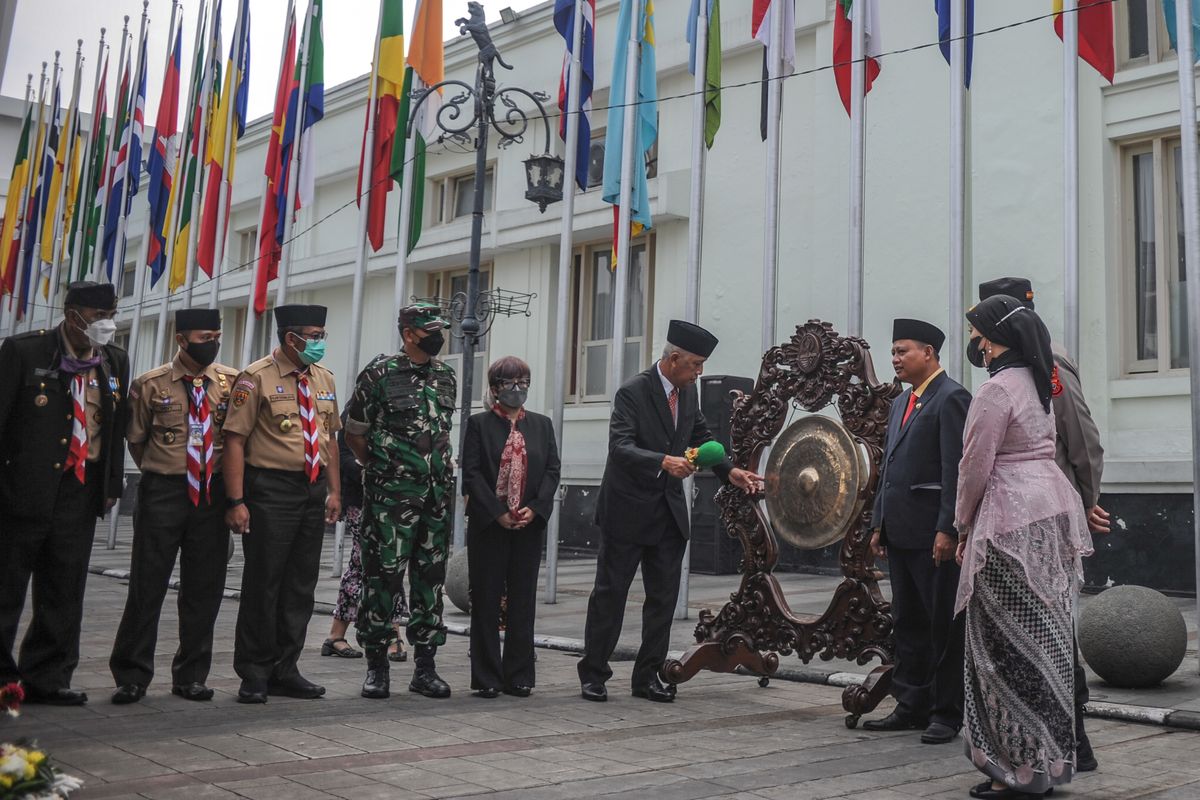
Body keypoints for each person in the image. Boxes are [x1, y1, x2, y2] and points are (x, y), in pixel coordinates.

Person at [577, 320, 762, 703]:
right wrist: (663, 461)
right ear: (673, 359)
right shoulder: (633, 392)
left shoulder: (688, 394)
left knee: (662, 601)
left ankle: (647, 677)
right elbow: (620, 447)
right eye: (695, 365)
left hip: (667, 514)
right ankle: (594, 673)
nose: (699, 373)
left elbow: (702, 438)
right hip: (627, 512)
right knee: (610, 596)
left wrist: (731, 471)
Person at [956, 295, 1093, 800]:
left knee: (1002, 648)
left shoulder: (994, 391)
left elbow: (975, 466)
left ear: (997, 340)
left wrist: (962, 523)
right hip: (1052, 508)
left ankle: (1018, 769)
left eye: (981, 334)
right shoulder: (1040, 384)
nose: (979, 344)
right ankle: (1050, 763)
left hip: (1007, 522)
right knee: (1049, 643)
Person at [0, 281, 129, 705]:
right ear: (73, 314)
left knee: (64, 587)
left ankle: (49, 675)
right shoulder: (25, 352)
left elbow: (111, 430)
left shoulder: (113, 361)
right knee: (7, 587)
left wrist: (110, 486)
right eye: (97, 319)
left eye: (110, 316)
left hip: (80, 489)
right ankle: (3, 678)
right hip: (23, 489)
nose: (105, 326)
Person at [109, 308, 239, 704]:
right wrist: (168, 466)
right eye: (204, 337)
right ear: (181, 340)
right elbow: (136, 438)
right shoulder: (150, 384)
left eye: (216, 335)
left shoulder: (230, 383)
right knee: (147, 585)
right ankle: (132, 675)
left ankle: (191, 675)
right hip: (164, 490)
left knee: (204, 588)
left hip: (212, 495)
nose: (212, 343)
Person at [223, 304, 342, 704]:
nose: (320, 342)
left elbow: (331, 440)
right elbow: (235, 441)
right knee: (264, 583)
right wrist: (237, 500)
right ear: (291, 338)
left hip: (310, 490)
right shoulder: (254, 378)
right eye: (314, 335)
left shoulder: (324, 378)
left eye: (323, 334)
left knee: (300, 586)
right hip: (270, 489)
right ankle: (254, 673)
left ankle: (285, 669)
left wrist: (334, 491)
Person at [864, 319, 970, 745]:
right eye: (892, 352)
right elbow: (888, 466)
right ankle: (911, 705)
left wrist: (949, 528)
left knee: (941, 626)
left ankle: (946, 713)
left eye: (902, 350)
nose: (895, 359)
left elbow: (956, 470)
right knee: (907, 622)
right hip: (900, 531)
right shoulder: (901, 402)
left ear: (928, 352)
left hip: (934, 537)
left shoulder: (951, 398)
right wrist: (878, 522)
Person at [344, 303, 456, 700]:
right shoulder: (379, 374)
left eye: (440, 328)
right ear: (409, 333)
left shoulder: (446, 376)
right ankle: (376, 667)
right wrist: (382, 468)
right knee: (383, 579)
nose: (439, 336)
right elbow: (354, 432)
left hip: (437, 499)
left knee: (431, 580)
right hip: (389, 499)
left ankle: (425, 669)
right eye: (431, 329)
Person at [462, 356, 561, 699]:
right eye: (509, 384)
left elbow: (552, 470)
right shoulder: (478, 424)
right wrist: (497, 511)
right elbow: (471, 473)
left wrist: (535, 508)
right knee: (486, 600)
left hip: (528, 525)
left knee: (523, 600)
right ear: (494, 389)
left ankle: (519, 674)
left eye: (523, 383)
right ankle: (486, 676)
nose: (517, 390)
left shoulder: (542, 425)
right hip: (490, 524)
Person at [321, 411, 408, 663]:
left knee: (389, 562)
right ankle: (389, 633)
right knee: (367, 561)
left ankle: (340, 633)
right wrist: (372, 468)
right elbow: (343, 456)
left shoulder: (398, 407)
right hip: (361, 501)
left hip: (394, 501)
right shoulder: (356, 410)